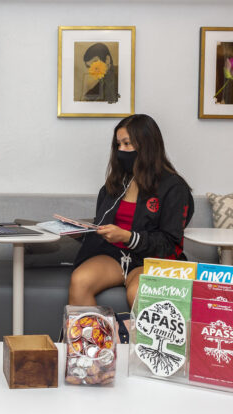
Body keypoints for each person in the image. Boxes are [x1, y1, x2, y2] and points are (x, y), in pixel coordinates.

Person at [68, 114, 193, 309]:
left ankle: (139, 339)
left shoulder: (174, 187)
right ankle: (95, 338)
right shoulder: (115, 184)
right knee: (80, 280)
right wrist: (86, 230)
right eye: (118, 145)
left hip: (151, 260)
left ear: (147, 145)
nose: (121, 151)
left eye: (127, 144)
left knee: (138, 292)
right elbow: (104, 221)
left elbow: (170, 243)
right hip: (114, 256)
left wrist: (128, 236)